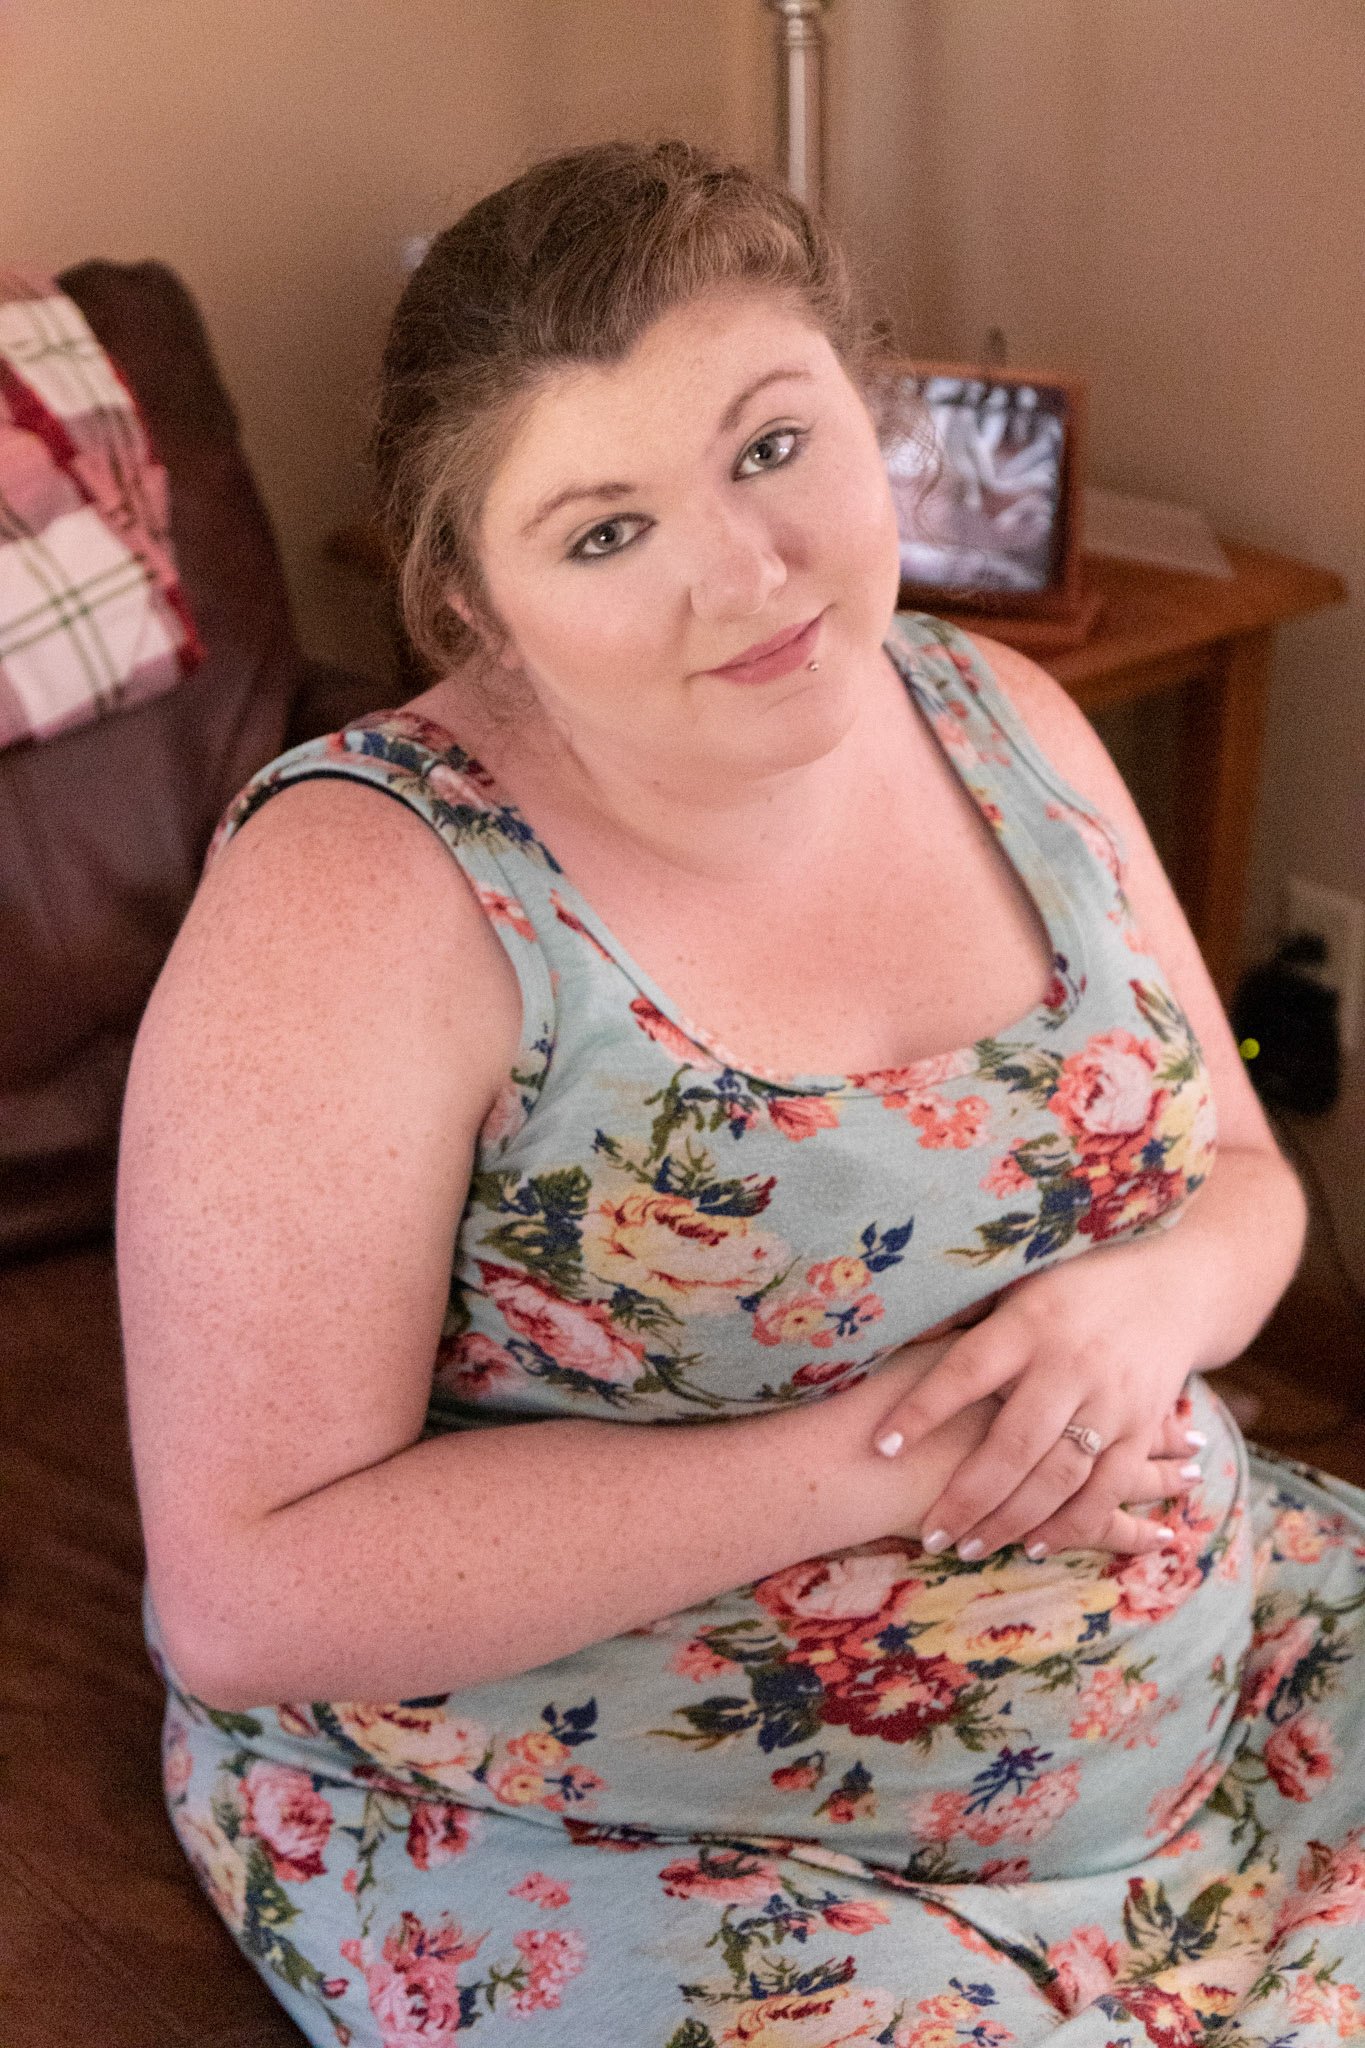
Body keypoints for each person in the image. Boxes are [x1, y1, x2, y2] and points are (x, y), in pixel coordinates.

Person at [118, 142, 1360, 2048]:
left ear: (871, 409)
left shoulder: (996, 714)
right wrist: (905, 1455)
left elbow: (1243, 1179)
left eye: (770, 446)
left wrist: (1139, 1314)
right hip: (646, 1837)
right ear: (471, 600)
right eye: (603, 532)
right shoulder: (362, 895)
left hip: (1222, 1677)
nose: (747, 571)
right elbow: (249, 1593)